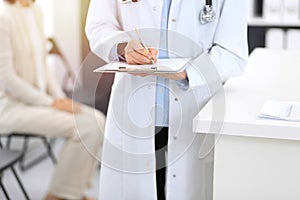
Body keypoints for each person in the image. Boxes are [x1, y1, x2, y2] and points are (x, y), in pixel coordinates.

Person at [86, 0, 248, 199]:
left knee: (187, 188)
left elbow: (233, 53)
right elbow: (98, 26)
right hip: (134, 106)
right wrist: (122, 47)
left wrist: (189, 72)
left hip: (192, 110)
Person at [0, 0, 106, 200]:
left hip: (39, 101)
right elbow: (7, 79)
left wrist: (60, 99)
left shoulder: (36, 12)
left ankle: (73, 191)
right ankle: (57, 196)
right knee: (85, 127)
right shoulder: (4, 19)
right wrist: (50, 103)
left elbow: (43, 66)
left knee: (97, 119)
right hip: (11, 107)